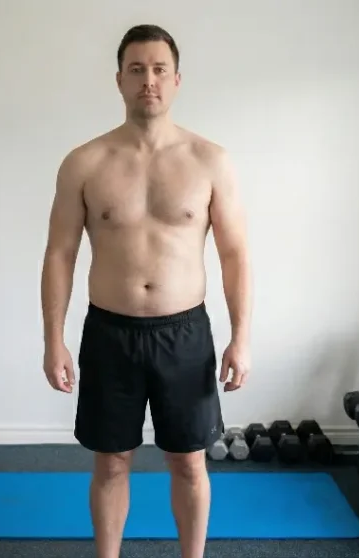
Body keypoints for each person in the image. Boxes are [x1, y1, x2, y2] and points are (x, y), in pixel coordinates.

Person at [39, 24, 252, 558]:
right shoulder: (84, 163)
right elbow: (59, 254)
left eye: (159, 70)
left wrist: (241, 338)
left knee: (189, 460)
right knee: (111, 461)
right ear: (119, 80)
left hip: (185, 333)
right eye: (137, 69)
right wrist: (54, 340)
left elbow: (235, 254)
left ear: (177, 80)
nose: (148, 80)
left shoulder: (210, 160)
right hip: (110, 331)